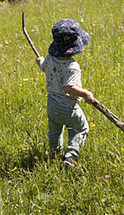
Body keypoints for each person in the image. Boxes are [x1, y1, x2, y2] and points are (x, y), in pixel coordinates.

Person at [36, 18, 95, 168]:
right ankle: (71, 155)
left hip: (52, 105)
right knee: (80, 128)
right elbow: (69, 87)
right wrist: (86, 94)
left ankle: (54, 153)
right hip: (67, 106)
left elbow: (44, 67)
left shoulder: (50, 58)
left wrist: (40, 61)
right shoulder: (72, 66)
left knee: (55, 131)